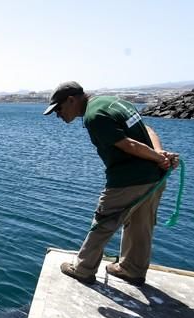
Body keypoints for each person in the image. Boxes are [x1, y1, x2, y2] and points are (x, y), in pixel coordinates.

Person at [43, 81, 179, 286]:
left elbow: (129, 144)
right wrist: (159, 154)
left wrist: (158, 157)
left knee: (103, 222)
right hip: (154, 178)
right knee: (141, 224)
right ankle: (132, 270)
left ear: (71, 100)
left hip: (128, 179)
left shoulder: (94, 116)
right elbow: (147, 128)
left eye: (58, 109)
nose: (58, 115)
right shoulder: (115, 103)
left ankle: (83, 269)